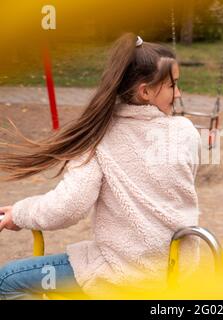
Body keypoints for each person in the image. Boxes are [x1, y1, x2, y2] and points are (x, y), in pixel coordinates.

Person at [0, 33, 202, 299]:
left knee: (7, 280)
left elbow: (68, 207)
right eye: (173, 85)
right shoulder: (186, 131)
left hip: (125, 272)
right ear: (145, 92)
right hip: (176, 269)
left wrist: (21, 213)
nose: (179, 93)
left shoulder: (98, 137)